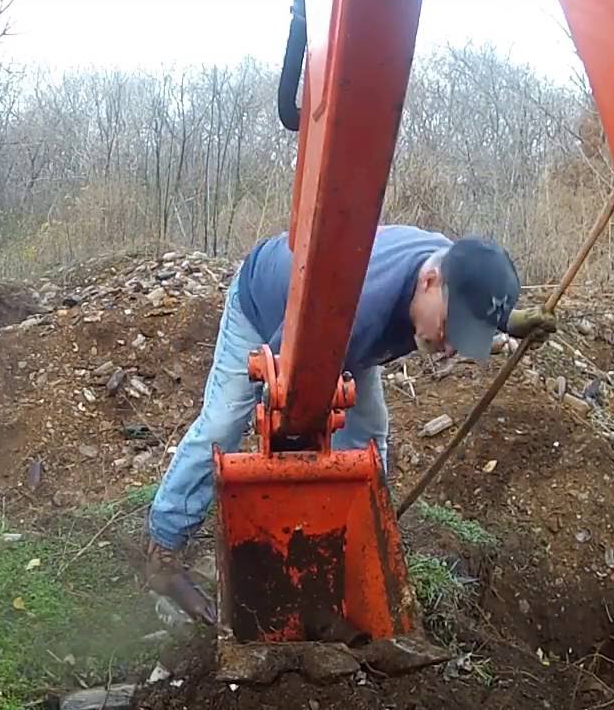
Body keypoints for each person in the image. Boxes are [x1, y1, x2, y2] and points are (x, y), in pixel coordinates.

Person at [145, 224, 557, 623]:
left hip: (336, 328)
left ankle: (358, 550)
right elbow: (277, 392)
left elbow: (473, 295)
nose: (450, 348)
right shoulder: (360, 308)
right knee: (222, 424)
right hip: (266, 307)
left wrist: (510, 321)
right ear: (429, 282)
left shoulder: (455, 270)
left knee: (368, 432)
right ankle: (163, 550)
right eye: (451, 330)